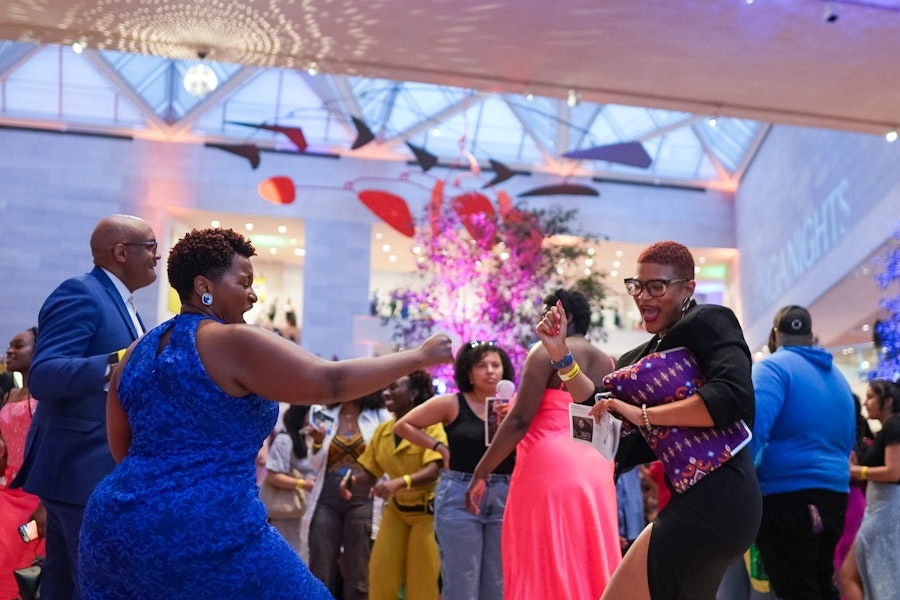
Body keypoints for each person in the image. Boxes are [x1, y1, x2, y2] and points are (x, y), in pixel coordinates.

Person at [75, 227, 453, 598]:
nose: (253, 295)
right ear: (205, 287)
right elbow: (330, 383)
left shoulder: (136, 351)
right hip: (211, 532)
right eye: (244, 283)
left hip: (114, 526)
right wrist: (420, 356)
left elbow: (121, 449)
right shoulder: (232, 340)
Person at [540, 240, 761, 599]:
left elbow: (731, 396)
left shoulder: (709, 320)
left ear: (688, 287)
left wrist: (643, 414)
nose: (644, 296)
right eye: (637, 286)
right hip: (701, 500)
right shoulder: (638, 358)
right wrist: (562, 358)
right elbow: (606, 413)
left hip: (721, 495)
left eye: (657, 286)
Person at [12, 214, 159, 599]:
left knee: (68, 585)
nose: (158, 256)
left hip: (97, 471)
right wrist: (120, 361)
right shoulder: (80, 293)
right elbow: (44, 374)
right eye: (152, 246)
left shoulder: (125, 304)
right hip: (81, 468)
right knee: (96, 586)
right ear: (121, 252)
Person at [464, 289, 621, 600]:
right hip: (596, 470)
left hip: (548, 465)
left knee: (540, 556)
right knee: (587, 553)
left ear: (566, 316)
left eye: (547, 312)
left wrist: (481, 471)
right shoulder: (608, 361)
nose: (541, 320)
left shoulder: (544, 351)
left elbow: (520, 420)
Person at [394, 340, 516, 600]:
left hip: (506, 493)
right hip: (460, 492)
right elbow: (404, 425)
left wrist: (513, 420)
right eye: (482, 365)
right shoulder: (452, 403)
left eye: (496, 365)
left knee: (498, 582)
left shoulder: (515, 406)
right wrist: (439, 447)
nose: (490, 371)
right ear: (468, 372)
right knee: (461, 582)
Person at [750, 304, 856, 600]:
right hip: (835, 495)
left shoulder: (772, 368)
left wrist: (739, 480)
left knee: (796, 588)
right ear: (811, 336)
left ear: (774, 335)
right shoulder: (838, 378)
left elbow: (754, 428)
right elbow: (849, 440)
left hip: (787, 495)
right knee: (821, 584)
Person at [356, 370, 446, 600]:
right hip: (396, 512)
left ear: (413, 393)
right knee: (380, 576)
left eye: (394, 387)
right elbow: (370, 469)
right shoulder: (383, 430)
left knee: (422, 584)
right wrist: (352, 479)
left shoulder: (432, 427)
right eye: (385, 387)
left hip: (427, 514)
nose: (386, 392)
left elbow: (435, 469)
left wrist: (401, 482)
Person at [302, 391, 390, 600]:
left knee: (358, 573)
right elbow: (314, 465)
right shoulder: (323, 413)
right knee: (319, 570)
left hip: (363, 497)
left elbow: (384, 461)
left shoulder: (380, 416)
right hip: (326, 495)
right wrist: (316, 442)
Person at [840, 379, 900, 600]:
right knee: (860, 576)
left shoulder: (894, 426)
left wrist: (857, 471)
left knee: (879, 578)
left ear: (888, 401)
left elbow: (894, 472)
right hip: (878, 509)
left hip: (885, 510)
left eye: (871, 396)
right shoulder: (886, 430)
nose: (866, 403)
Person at [0, 327, 45, 600]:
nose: (10, 351)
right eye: (9, 345)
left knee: (23, 554)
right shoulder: (11, 393)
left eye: (19, 345)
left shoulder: (48, 395)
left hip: (35, 494)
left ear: (38, 349)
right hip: (7, 487)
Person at [262, 404, 316, 556]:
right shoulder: (284, 440)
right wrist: (302, 484)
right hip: (288, 513)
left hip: (311, 510)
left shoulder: (313, 439)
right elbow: (272, 475)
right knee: (287, 555)